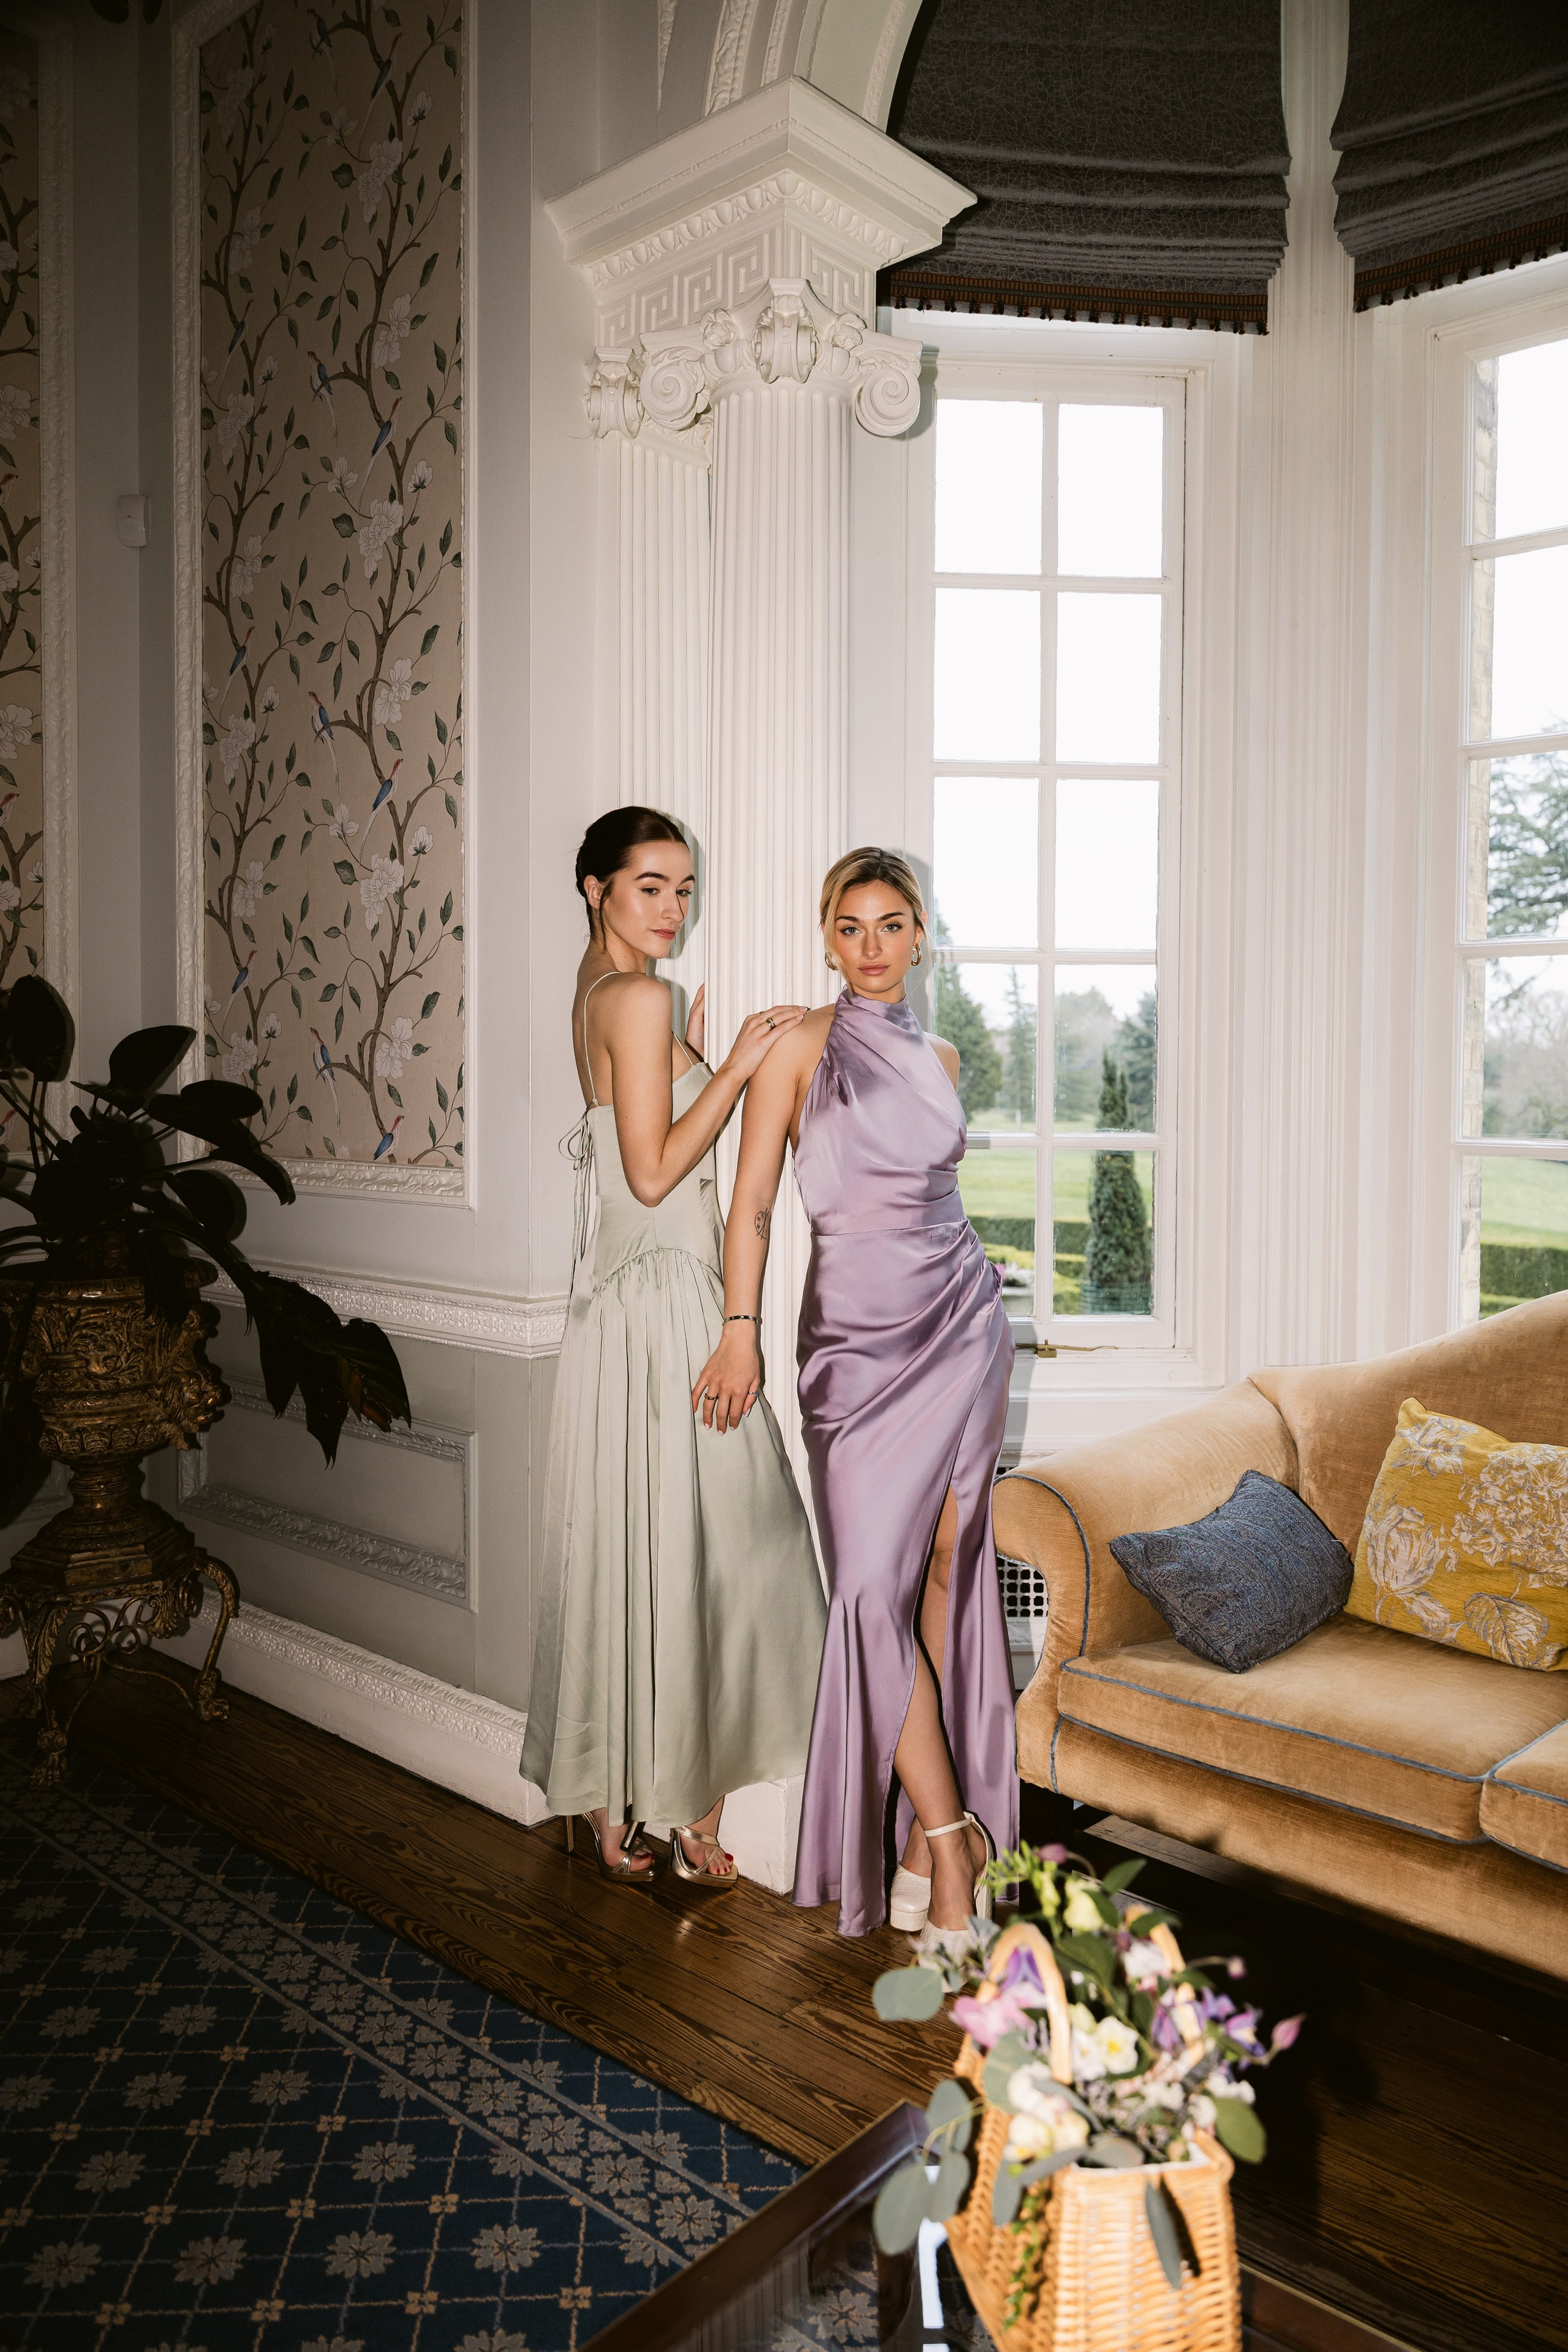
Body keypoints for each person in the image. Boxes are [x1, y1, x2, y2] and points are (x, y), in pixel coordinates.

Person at [693, 848, 1016, 1938]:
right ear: (824, 936)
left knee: (944, 1577)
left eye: (890, 925)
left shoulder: (949, 1053)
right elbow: (750, 1207)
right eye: (849, 926)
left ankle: (943, 1848)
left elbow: (935, 1196)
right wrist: (740, 1331)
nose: (870, 947)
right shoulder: (797, 1047)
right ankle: (948, 1841)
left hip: (961, 1328)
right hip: (852, 1351)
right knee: (868, 1594)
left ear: (921, 933)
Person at [522, 807, 826, 1888]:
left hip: (629, 1302)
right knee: (731, 1551)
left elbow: (633, 1151)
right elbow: (652, 1176)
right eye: (650, 886)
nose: (673, 908)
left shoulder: (602, 992)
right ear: (596, 888)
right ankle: (667, 1807)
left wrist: (704, 1052)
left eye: (685, 889)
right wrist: (738, 1065)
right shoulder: (638, 998)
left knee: (661, 1550)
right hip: (666, 1303)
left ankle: (639, 1806)